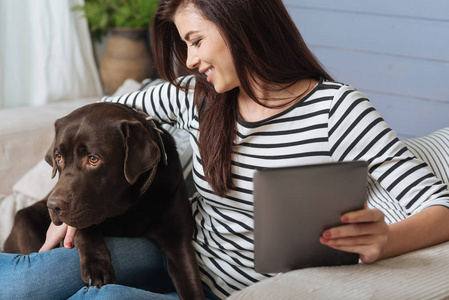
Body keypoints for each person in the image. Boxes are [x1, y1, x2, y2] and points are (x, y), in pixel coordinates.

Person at [1, 0, 449, 299]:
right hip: (180, 252)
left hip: (246, 287)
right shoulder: (197, 97)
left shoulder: (338, 110)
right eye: (184, 46)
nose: (190, 60)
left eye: (195, 41)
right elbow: (108, 116)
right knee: (27, 282)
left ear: (241, 24)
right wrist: (70, 200)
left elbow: (440, 207)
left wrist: (385, 240)